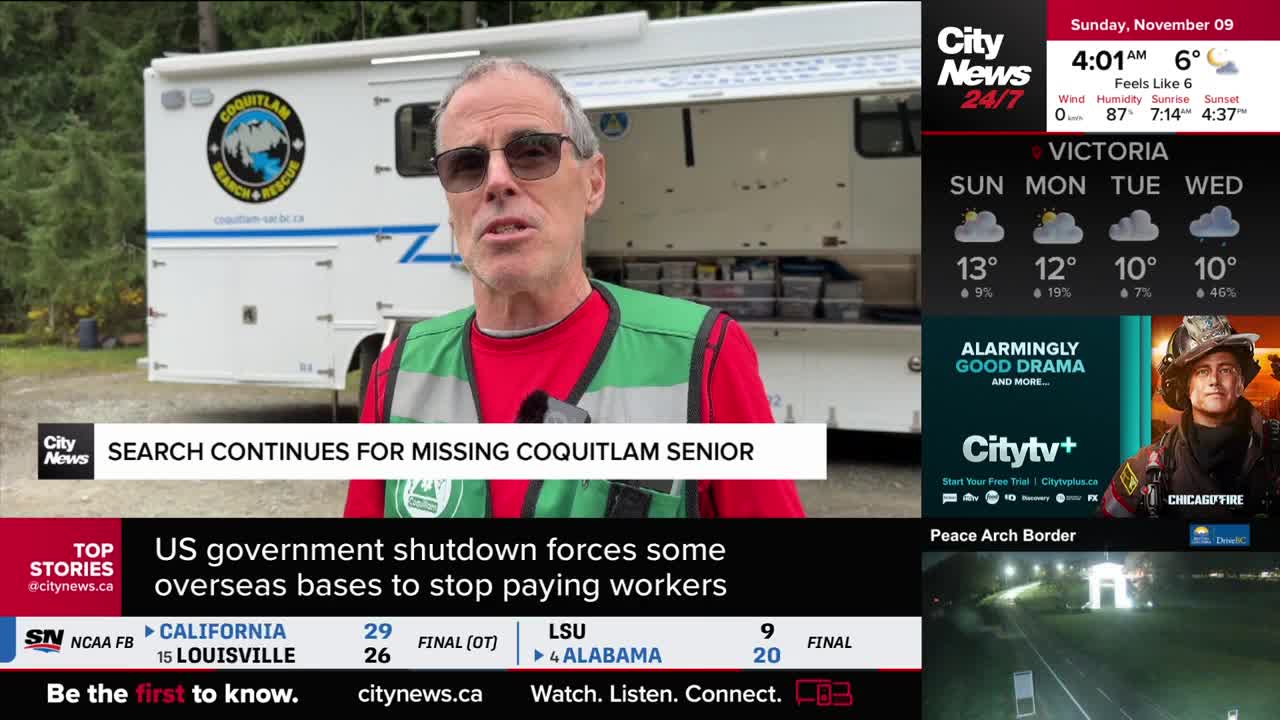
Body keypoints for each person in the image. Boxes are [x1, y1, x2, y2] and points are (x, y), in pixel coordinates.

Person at [343, 57, 805, 519]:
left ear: (594, 183)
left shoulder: (702, 358)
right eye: (466, 164)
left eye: (532, 152)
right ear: (450, 205)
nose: (498, 182)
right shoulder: (398, 374)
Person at [1098, 315, 1280, 519]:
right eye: (1202, 371)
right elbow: (1101, 541)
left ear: (1240, 381)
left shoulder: (1275, 451)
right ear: (1185, 386)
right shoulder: (1145, 468)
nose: (1214, 380)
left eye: (1226, 370)